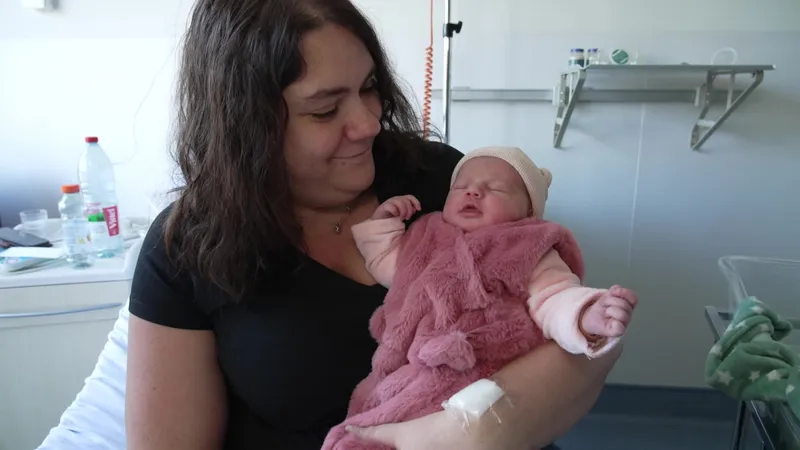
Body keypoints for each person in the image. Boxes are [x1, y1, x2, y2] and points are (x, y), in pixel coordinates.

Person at [126, 0, 623, 449]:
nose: (368, 123)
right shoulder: (189, 248)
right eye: (325, 110)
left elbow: (578, 337)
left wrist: (463, 435)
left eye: (369, 88)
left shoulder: (442, 181)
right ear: (243, 124)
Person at [322, 147, 638, 450]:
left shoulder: (526, 245)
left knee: (424, 422)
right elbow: (391, 264)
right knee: (372, 413)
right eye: (461, 186)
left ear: (528, 211)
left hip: (480, 365)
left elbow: (553, 297)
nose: (473, 192)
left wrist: (586, 315)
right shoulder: (428, 235)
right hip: (412, 363)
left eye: (496, 189)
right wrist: (383, 223)